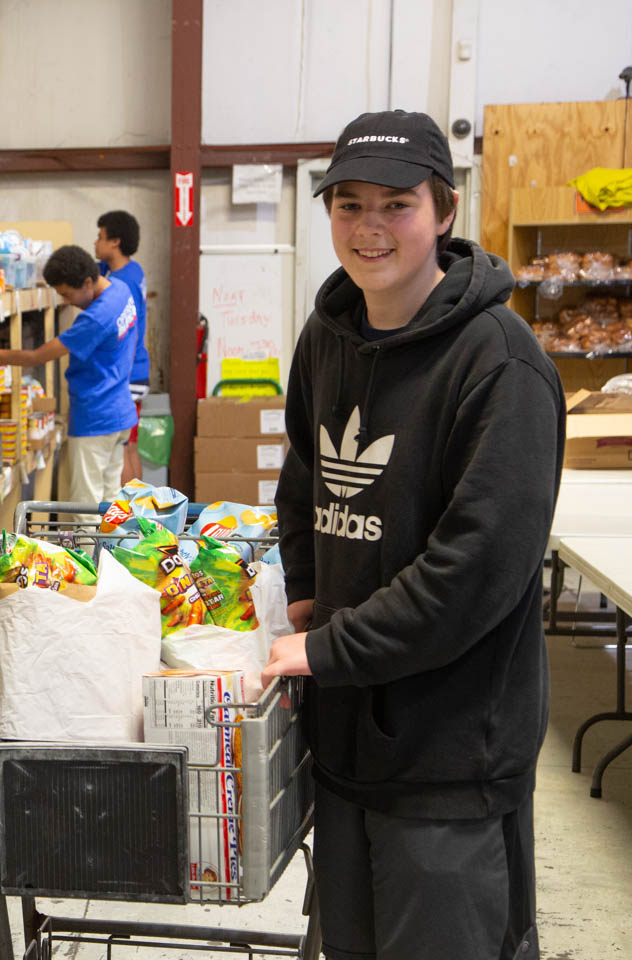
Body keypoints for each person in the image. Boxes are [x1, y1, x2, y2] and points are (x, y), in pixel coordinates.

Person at [262, 110, 563, 960]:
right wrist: (306, 593)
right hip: (350, 740)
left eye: (396, 205)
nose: (368, 227)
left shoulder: (500, 363)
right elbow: (301, 483)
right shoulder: (328, 338)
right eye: (348, 204)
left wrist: (325, 651)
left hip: (450, 758)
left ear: (446, 211)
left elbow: (474, 573)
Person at [0, 244, 137, 504]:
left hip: (95, 419)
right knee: (110, 500)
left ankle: (90, 548)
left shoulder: (94, 319)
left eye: (67, 294)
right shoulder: (121, 291)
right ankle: (111, 545)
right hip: (120, 413)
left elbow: (36, 357)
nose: (66, 301)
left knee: (86, 506)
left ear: (88, 282)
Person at [94, 210, 150, 483]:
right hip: (136, 373)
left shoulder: (122, 283)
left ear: (114, 242)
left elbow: (129, 332)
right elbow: (95, 271)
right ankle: (136, 509)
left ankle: (129, 514)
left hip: (127, 374)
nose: (95, 243)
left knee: (123, 446)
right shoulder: (129, 270)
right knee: (131, 444)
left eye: (100, 237)